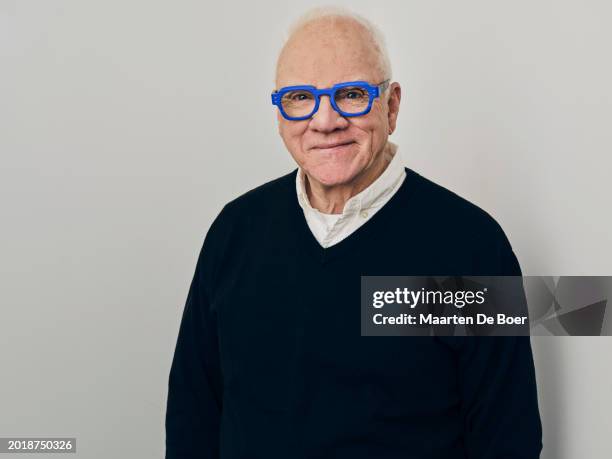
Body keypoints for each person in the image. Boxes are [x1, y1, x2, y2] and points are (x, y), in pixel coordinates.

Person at [165, 7, 542, 459]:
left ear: (392, 104)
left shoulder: (471, 245)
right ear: (280, 110)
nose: (325, 122)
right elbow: (193, 412)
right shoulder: (235, 231)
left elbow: (506, 437)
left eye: (350, 94)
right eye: (300, 97)